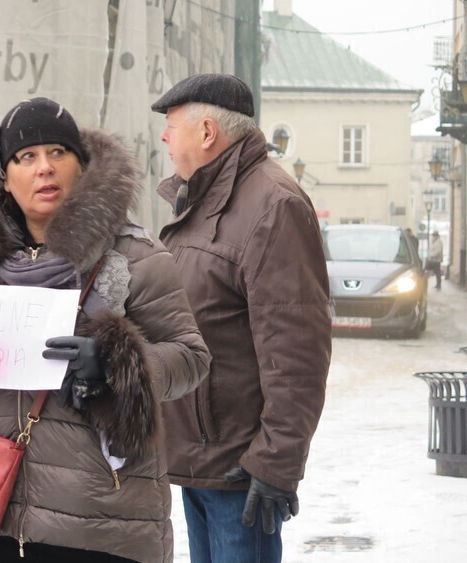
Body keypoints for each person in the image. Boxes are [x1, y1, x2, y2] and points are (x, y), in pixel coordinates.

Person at [0, 97, 210, 563]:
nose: (45, 168)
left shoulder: (136, 256)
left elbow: (191, 357)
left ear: (81, 166)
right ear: (5, 175)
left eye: (58, 153)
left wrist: (117, 362)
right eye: (27, 157)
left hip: (99, 521)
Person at [150, 74, 332, 563]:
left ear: (207, 132)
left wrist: (275, 463)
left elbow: (296, 350)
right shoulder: (206, 199)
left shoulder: (273, 204)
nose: (164, 137)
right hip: (199, 458)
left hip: (240, 470)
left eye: (171, 125)